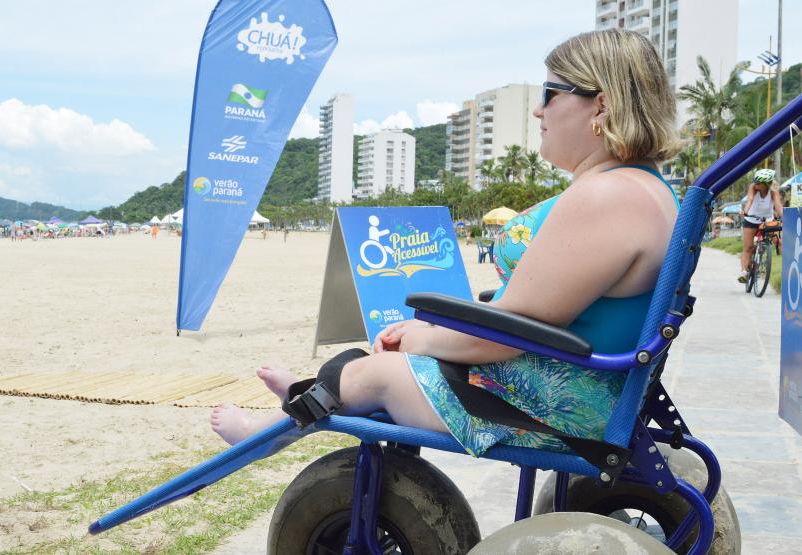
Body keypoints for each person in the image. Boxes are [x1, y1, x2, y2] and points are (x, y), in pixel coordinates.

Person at [211, 29, 683, 456]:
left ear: (600, 105)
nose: (539, 110)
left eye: (550, 93)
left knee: (373, 369)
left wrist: (424, 337)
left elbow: (509, 334)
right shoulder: (645, 189)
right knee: (377, 358)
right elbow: (535, 314)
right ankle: (315, 392)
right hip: (582, 389)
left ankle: (272, 427)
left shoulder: (608, 197)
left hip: (553, 408)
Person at [738, 168, 784, 283]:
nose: (755, 183)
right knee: (748, 247)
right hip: (751, 219)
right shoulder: (753, 187)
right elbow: (750, 199)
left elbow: (778, 206)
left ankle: (788, 267)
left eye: (758, 182)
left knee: (779, 242)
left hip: (767, 221)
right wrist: (745, 211)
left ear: (766, 184)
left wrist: (785, 218)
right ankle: (744, 272)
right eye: (756, 181)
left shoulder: (773, 192)